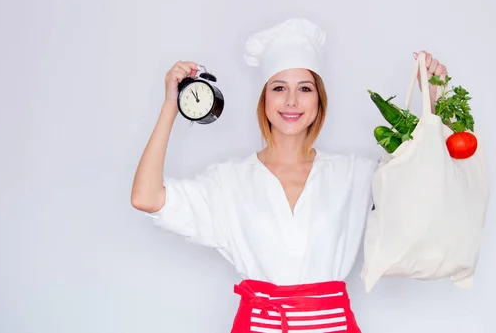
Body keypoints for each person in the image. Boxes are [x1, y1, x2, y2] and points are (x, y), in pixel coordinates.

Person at [131, 18, 448, 333]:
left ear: (319, 100)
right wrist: (172, 104)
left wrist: (433, 103)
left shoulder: (355, 173)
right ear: (265, 99)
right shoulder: (228, 181)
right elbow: (146, 198)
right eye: (279, 88)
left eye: (305, 89)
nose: (292, 101)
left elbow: (421, 187)